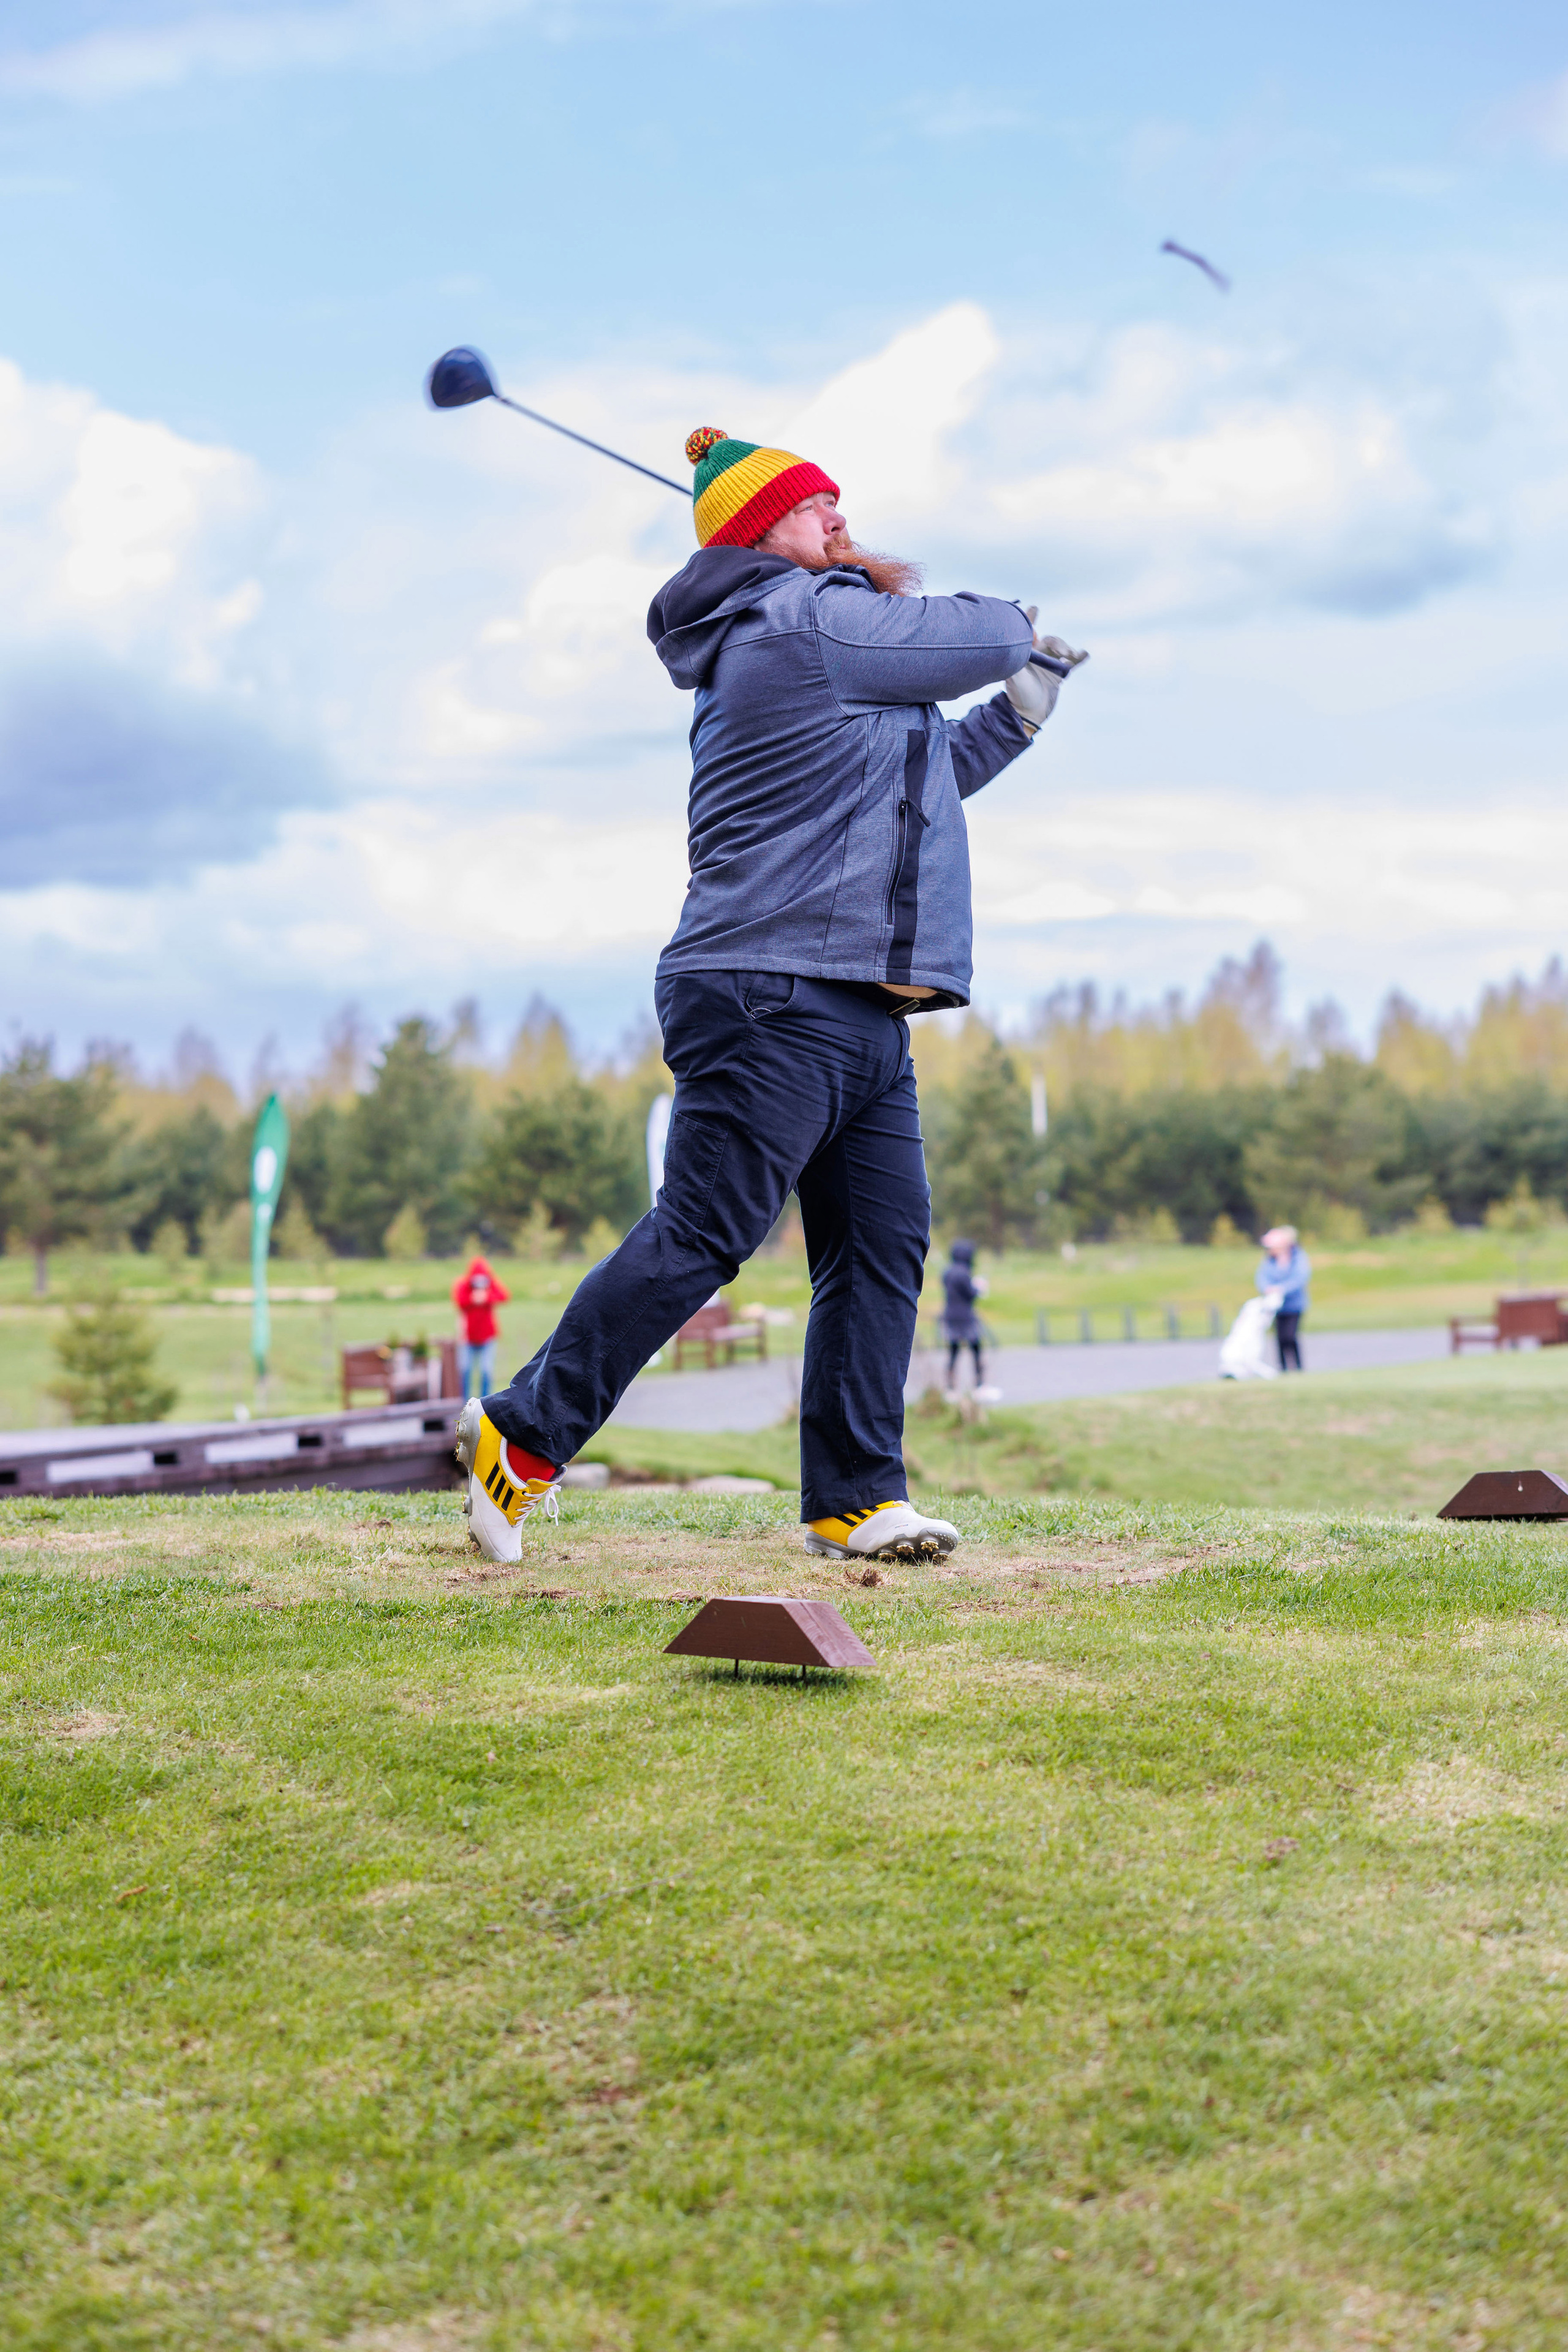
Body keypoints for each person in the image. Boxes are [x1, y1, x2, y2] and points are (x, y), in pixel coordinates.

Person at [457, 424, 1076, 1566]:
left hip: (853, 1000)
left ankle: (855, 1497)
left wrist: (1023, 710)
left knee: (882, 1246)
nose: (841, 523)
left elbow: (922, 780)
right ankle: (519, 1434)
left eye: (843, 503)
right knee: (706, 1232)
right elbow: (983, 629)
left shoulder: (820, 635)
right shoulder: (800, 622)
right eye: (814, 512)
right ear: (757, 539)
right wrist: (1018, 631)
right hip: (771, 987)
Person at [941, 1240, 998, 1399]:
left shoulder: (947, 1272)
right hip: (966, 1317)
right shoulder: (964, 1272)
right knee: (976, 1349)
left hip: (950, 1316)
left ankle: (951, 1388)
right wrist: (979, 1287)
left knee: (953, 1350)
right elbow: (971, 1294)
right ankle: (979, 1385)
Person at [452, 1254, 510, 1400]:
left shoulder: (490, 1286)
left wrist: (487, 1296)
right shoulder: (464, 1286)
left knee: (486, 1371)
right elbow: (459, 1300)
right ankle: (463, 1403)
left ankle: (485, 1402)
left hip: (487, 1337)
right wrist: (473, 1299)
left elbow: (504, 1296)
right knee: (465, 1371)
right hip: (468, 1338)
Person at [1256, 1224, 1310, 1370]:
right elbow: (1262, 1277)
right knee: (1279, 1339)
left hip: (1294, 1305)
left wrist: (1282, 1289)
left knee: (1290, 1336)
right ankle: (1283, 1368)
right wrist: (1267, 1289)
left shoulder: (1298, 1258)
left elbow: (1300, 1278)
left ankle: (1298, 1367)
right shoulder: (1269, 1261)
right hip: (1276, 1306)